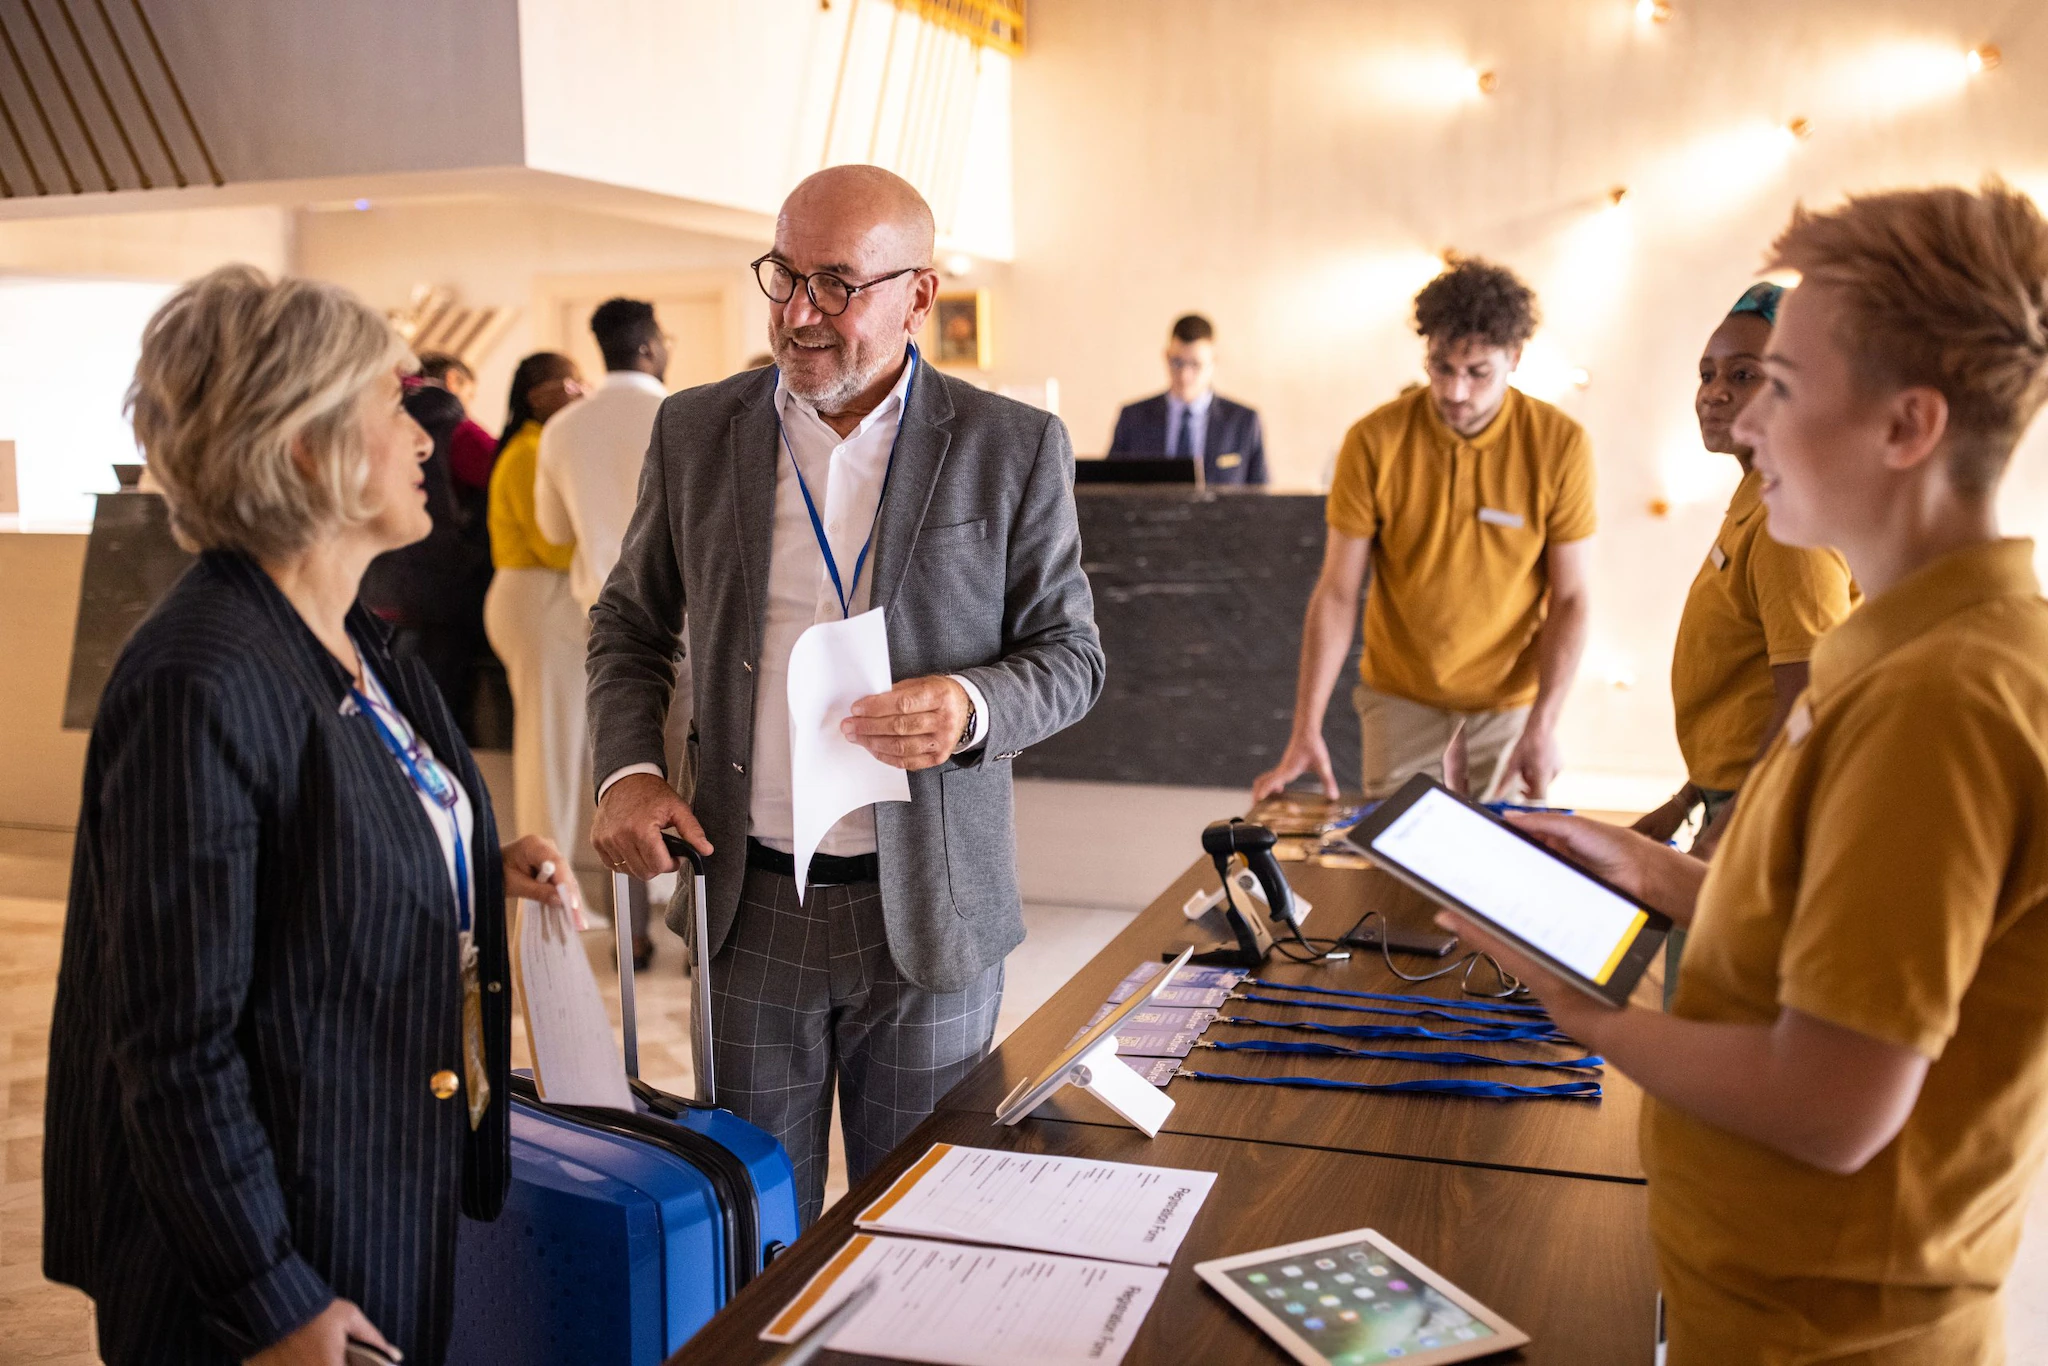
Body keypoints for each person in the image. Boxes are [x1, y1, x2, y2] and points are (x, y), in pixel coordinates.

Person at [1447, 182, 2048, 1364]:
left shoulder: (1941, 697)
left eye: (1778, 385)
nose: (1745, 423)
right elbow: (1839, 940)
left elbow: (1829, 1105)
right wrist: (1654, 872)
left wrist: (1580, 1009)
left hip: (1828, 1334)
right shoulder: (1907, 647)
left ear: (1905, 426)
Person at [42, 265, 579, 1366]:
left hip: (373, 1180)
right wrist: (270, 1294)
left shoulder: (351, 632)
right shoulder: (202, 678)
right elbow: (175, 1043)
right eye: (396, 404)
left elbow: (333, 840)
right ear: (305, 446)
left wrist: (472, 856)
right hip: (266, 1248)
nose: (428, 436)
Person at [587, 165, 1103, 1225]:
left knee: (916, 1222)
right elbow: (629, 626)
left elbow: (1069, 656)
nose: (799, 313)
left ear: (919, 296)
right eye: (782, 276)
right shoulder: (696, 431)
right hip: (747, 902)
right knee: (755, 1226)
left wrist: (969, 704)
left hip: (927, 906)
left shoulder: (1009, 447)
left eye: (837, 283)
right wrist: (630, 774)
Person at [1252, 257, 1594, 803]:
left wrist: (1543, 725)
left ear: (1515, 358)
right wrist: (1305, 726)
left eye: (1478, 372)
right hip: (1400, 704)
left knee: (1501, 876)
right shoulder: (1373, 440)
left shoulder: (1560, 445)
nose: (1456, 391)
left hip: (1509, 710)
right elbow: (1338, 593)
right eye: (1441, 367)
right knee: (1394, 872)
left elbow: (1571, 597)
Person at [1634, 284, 1857, 864]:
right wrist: (1686, 800)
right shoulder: (1759, 496)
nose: (1712, 394)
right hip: (1729, 796)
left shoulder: (1793, 525)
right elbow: (1751, 680)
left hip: (1768, 809)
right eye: (1707, 375)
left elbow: (1808, 696)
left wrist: (1729, 828)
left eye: (1742, 376)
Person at [534, 298, 683, 968]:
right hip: (689, 626)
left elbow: (553, 531)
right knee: (695, 779)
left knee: (619, 779)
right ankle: (697, 937)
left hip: (606, 633)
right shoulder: (685, 415)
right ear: (650, 346)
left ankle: (634, 937)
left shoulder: (563, 428)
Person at [483, 351, 588, 866]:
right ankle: (550, 872)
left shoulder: (541, 445)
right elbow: (550, 544)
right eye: (565, 383)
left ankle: (560, 866)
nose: (577, 391)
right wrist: (612, 554)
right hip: (536, 598)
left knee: (560, 746)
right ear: (534, 396)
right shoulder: (527, 452)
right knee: (549, 749)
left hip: (544, 599)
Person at [360, 383, 495, 724]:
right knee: (436, 716)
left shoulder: (371, 430)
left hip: (376, 590)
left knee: (388, 711)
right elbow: (499, 474)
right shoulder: (459, 432)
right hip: (440, 591)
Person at [1107, 313, 1267, 485]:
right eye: (1177, 362)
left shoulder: (1243, 421)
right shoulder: (1133, 418)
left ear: (1213, 362)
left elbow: (1261, 498)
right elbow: (1110, 488)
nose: (1184, 375)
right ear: (1166, 357)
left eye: (1195, 364)